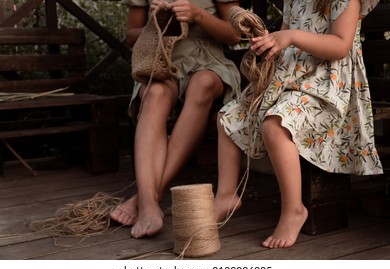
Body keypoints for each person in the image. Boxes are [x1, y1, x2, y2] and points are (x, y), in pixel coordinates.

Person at [214, 0, 383, 249]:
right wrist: (271, 43)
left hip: (327, 84)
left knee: (275, 125)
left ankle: (294, 209)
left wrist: (292, 36)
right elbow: (286, 37)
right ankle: (226, 195)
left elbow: (340, 46)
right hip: (291, 78)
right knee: (229, 117)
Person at [110, 0, 241, 238]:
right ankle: (149, 204)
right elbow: (131, 35)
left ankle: (144, 197)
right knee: (155, 93)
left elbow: (235, 34)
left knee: (203, 84)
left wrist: (198, 15)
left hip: (209, 62)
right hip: (160, 61)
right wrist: (157, 24)